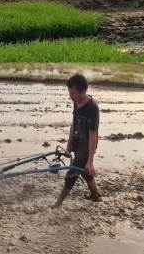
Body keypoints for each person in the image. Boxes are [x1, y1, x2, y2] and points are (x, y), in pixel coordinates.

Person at [52, 73, 102, 207]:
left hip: (87, 145)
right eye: (70, 93)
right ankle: (95, 196)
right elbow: (73, 124)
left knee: (72, 173)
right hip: (78, 141)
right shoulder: (76, 102)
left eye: (73, 93)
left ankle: (58, 204)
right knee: (85, 172)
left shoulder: (92, 108)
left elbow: (93, 134)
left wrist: (90, 160)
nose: (70, 96)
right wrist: (69, 146)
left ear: (83, 90)